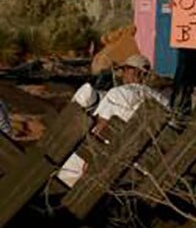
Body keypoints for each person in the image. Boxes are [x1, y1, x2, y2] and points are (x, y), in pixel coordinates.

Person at [59, 55, 169, 186]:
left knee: (69, 168)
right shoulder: (163, 101)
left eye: (124, 71)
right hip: (144, 167)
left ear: (133, 71)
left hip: (110, 158)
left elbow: (101, 127)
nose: (122, 75)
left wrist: (89, 161)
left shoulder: (118, 93)